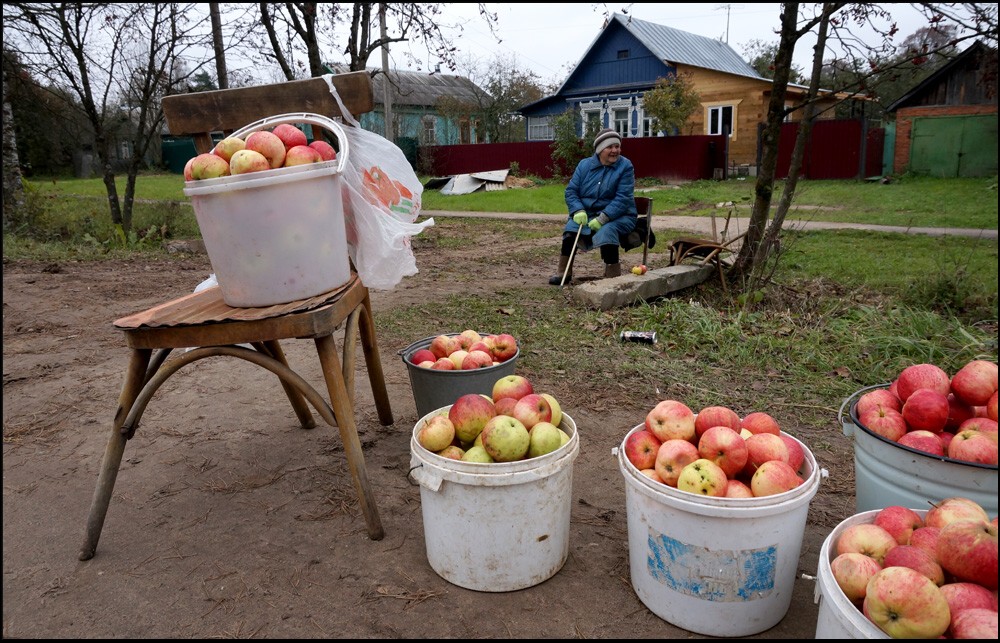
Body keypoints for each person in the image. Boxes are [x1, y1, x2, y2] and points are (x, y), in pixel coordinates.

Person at [549, 128, 637, 285]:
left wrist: (603, 217)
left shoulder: (625, 166)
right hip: (587, 214)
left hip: (620, 215)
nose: (615, 150)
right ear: (600, 149)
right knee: (571, 230)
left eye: (617, 146)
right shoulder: (584, 165)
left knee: (607, 230)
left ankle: (613, 277)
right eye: (610, 147)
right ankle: (564, 272)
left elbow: (623, 198)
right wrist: (578, 210)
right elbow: (571, 191)